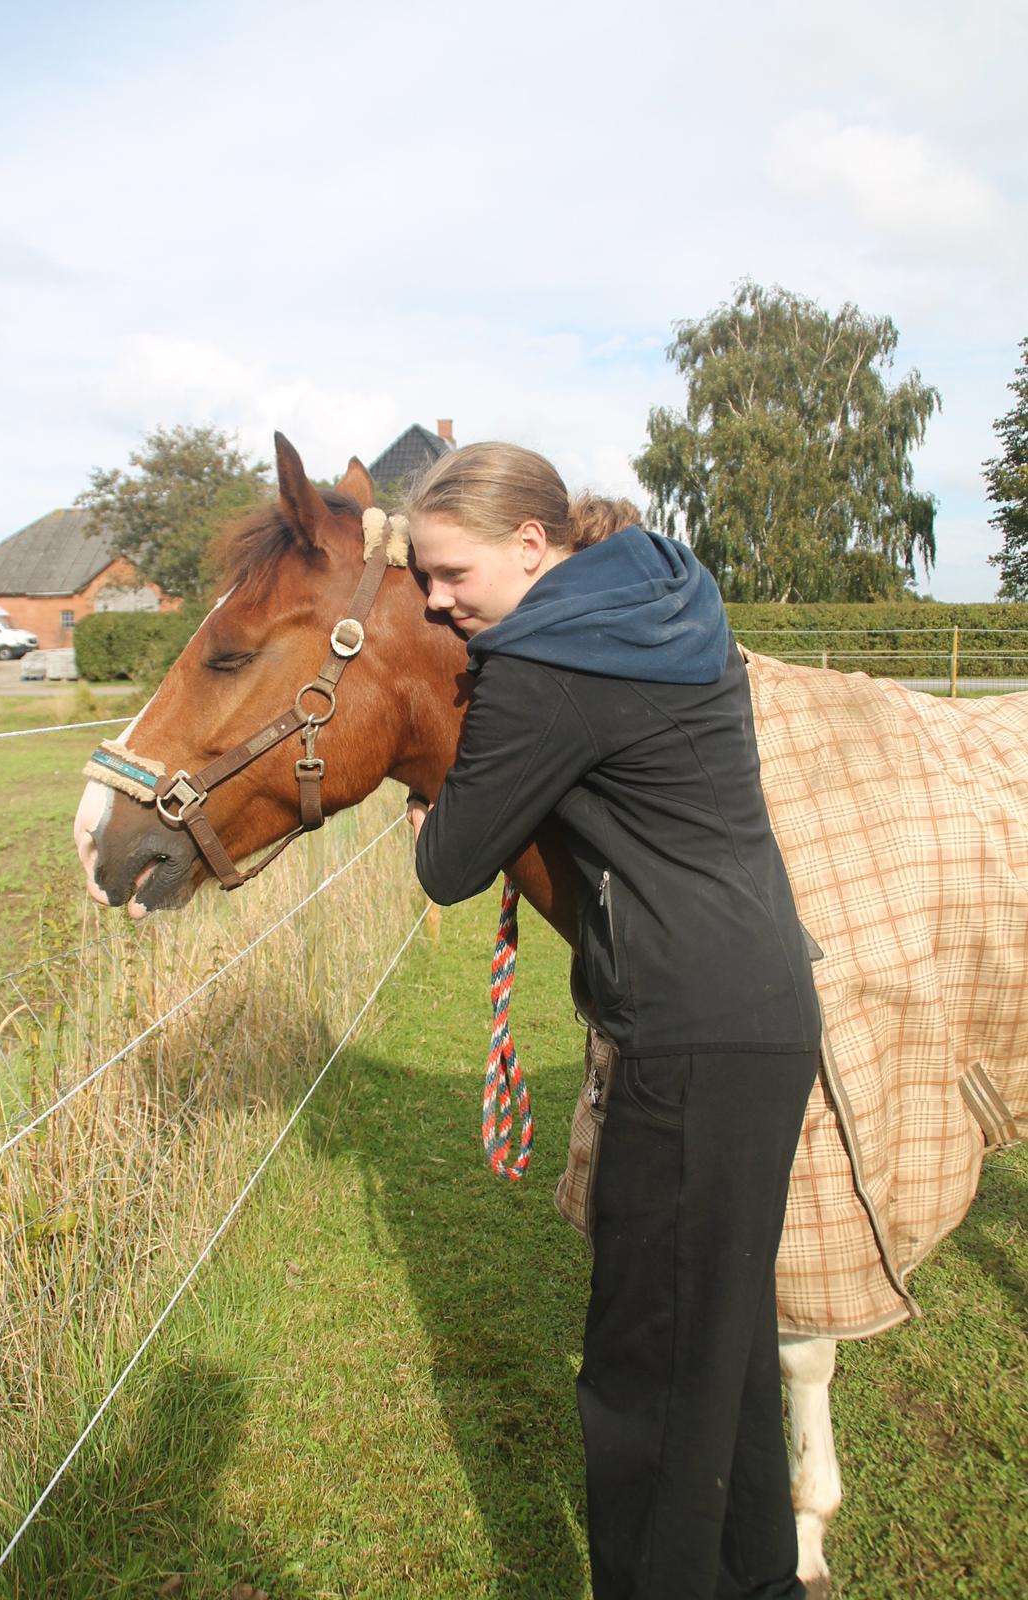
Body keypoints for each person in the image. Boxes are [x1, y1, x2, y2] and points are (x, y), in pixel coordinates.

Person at [404, 442, 821, 1600]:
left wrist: (436, 788)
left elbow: (448, 863)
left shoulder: (538, 668)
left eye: (450, 573)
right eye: (425, 584)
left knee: (643, 1380)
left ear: (531, 545)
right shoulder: (669, 602)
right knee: (722, 1348)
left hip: (685, 1034)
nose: (440, 604)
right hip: (768, 1011)